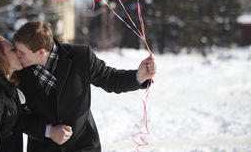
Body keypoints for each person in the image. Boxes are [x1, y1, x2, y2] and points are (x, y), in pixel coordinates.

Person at [13, 22, 157, 152]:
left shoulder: (81, 57)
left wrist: (139, 76)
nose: (17, 55)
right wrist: (49, 131)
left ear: (41, 52)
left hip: (83, 146)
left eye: (22, 52)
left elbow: (111, 79)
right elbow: (16, 116)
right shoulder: (18, 70)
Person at [0, 34, 73, 152]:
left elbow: (17, 120)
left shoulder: (5, 89)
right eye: (13, 50)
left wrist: (50, 131)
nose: (19, 53)